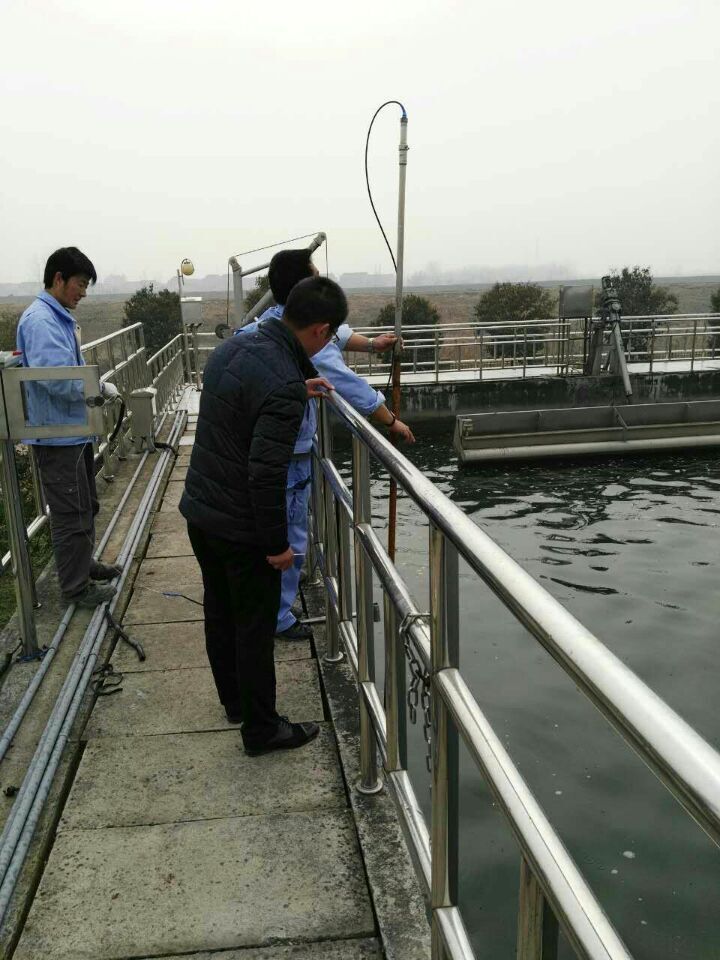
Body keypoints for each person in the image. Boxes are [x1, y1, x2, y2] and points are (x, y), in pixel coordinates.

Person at [180, 276, 346, 756]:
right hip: (240, 525)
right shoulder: (283, 384)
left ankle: (235, 702)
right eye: (330, 337)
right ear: (320, 330)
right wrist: (277, 546)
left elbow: (246, 405)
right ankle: (261, 730)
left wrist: (296, 387)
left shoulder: (233, 347)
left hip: (202, 511)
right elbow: (266, 472)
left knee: (220, 611)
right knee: (254, 628)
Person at [237, 249, 415, 642]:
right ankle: (278, 616)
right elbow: (344, 381)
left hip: (257, 447)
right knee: (290, 531)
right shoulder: (305, 342)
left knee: (268, 527)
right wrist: (391, 421)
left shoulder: (264, 327)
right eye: (315, 278)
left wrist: (374, 345)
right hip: (289, 453)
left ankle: (267, 599)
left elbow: (339, 334)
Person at [16, 247, 120, 608]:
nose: (84, 293)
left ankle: (84, 565)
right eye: (81, 284)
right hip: (58, 437)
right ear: (58, 279)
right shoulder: (41, 322)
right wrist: (98, 388)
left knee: (84, 505)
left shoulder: (56, 317)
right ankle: (75, 589)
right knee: (70, 513)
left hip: (72, 432)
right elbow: (57, 380)